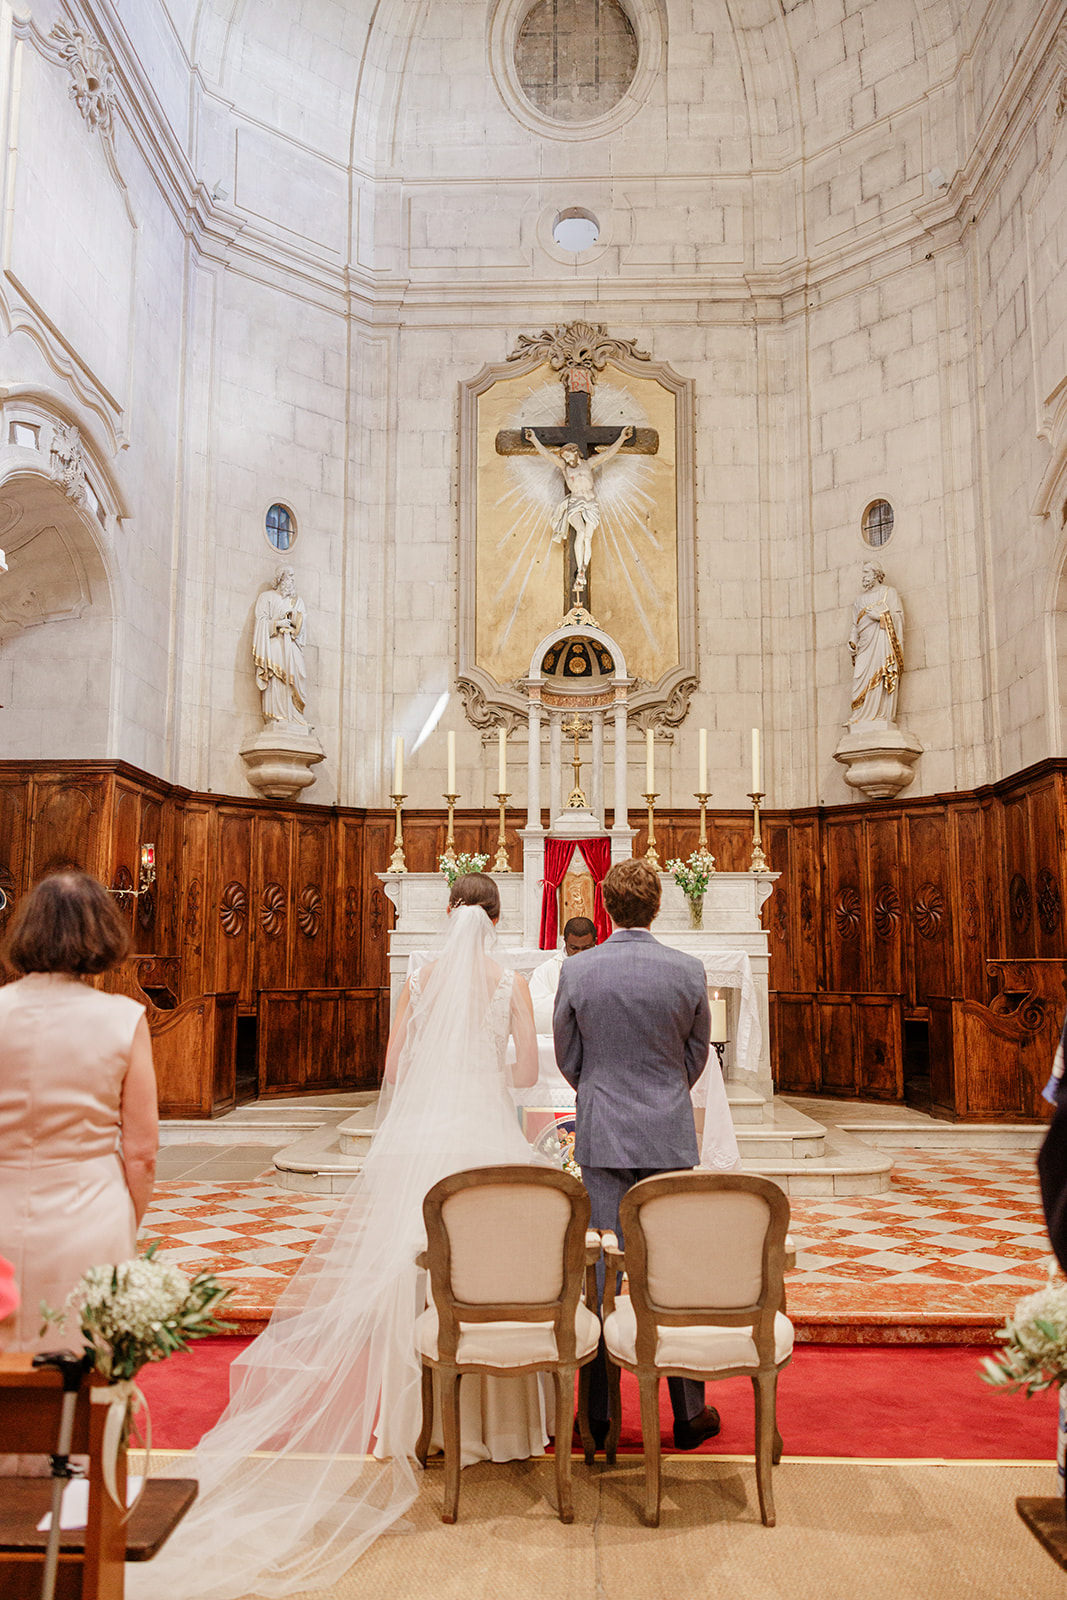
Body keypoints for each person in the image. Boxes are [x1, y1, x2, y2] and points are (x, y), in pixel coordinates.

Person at [134, 873, 542, 1600]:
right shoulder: (508, 978)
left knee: (411, 1268)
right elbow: (527, 1073)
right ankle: (500, 1430)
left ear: (449, 913)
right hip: (485, 1133)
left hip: (422, 1136)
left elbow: (391, 1068)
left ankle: (412, 1427)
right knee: (490, 1267)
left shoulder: (419, 976)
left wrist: (428, 1078)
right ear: (498, 919)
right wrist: (484, 1069)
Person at [553, 856, 721, 1453]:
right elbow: (697, 1055)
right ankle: (688, 1411)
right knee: (668, 1268)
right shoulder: (686, 969)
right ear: (657, 906)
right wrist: (662, 1091)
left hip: (602, 1127)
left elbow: (567, 1057)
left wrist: (599, 1088)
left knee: (600, 1272)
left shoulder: (579, 971)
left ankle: (596, 1419)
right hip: (669, 1129)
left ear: (606, 907)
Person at [0, 871, 159, 1354]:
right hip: (89, 1213)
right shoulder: (123, 1018)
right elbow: (142, 1153)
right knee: (87, 1373)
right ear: (102, 933)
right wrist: (125, 1226)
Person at [523, 425, 633, 584]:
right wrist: (533, 439)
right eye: (565, 458)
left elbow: (609, 453)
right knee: (580, 532)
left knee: (588, 537)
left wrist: (622, 438)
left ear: (575, 452)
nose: (567, 460)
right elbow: (546, 455)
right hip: (575, 502)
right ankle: (580, 572)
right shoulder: (564, 468)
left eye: (568, 456)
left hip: (590, 502)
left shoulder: (589, 464)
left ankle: (583, 568)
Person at [847, 560, 905, 726]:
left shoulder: (889, 593)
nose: (863, 577)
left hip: (882, 642)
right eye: (863, 573)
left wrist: (881, 617)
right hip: (864, 645)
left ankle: (881, 714)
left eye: (866, 573)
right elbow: (855, 625)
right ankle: (860, 715)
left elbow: (898, 618)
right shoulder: (859, 600)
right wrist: (852, 640)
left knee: (881, 674)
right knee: (860, 677)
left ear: (876, 574)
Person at [252, 564, 309, 729]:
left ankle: (294, 716)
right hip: (274, 645)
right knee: (277, 677)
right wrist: (277, 623)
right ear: (281, 578)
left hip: (291, 645)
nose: (292, 580)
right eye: (289, 576)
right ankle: (277, 716)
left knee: (296, 675)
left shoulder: (297, 601)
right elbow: (260, 622)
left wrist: (296, 619)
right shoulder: (266, 597)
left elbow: (302, 624)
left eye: (293, 576)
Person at [528, 916, 597, 1035]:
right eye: (574, 948)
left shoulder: (605, 966)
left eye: (586, 948)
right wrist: (568, 1000)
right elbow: (534, 1009)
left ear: (595, 941)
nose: (579, 954)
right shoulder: (546, 970)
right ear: (565, 942)